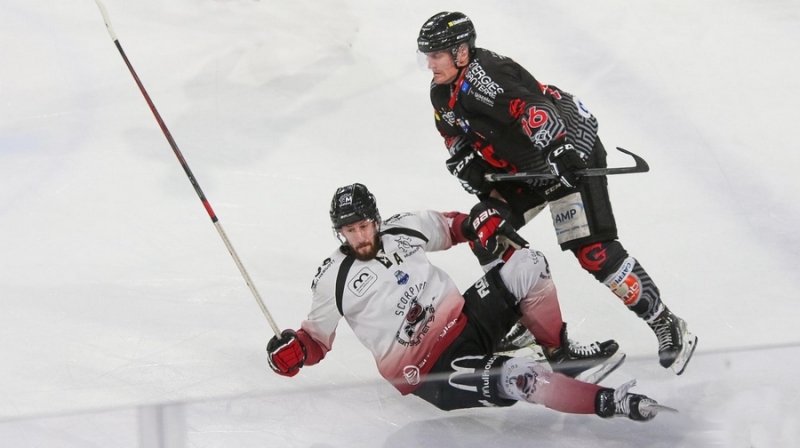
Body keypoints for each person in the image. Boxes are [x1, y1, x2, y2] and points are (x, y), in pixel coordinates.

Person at [416, 11, 697, 375]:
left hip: (570, 149)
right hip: (526, 168)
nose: (429, 64)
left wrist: (560, 151)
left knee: (594, 252)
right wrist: (471, 168)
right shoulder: (442, 92)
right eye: (428, 55)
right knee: (486, 231)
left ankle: (665, 322)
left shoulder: (486, 78)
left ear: (462, 52)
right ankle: (528, 329)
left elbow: (535, 109)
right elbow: (454, 136)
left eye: (436, 54)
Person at [265, 182, 665, 421]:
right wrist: (294, 352)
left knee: (527, 262)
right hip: (432, 370)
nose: (359, 237)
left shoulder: (403, 227)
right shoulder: (333, 278)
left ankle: (558, 353)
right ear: (339, 232)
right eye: (349, 231)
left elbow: (456, 226)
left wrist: (480, 218)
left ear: (377, 218)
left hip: (470, 321)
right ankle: (610, 403)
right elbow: (314, 341)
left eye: (364, 226)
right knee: (518, 378)